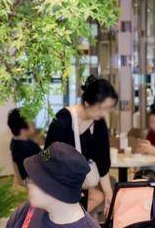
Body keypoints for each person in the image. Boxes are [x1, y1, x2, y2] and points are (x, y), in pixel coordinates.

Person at [44, 75, 117, 212]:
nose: (104, 113)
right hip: (58, 186)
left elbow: (102, 161)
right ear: (88, 103)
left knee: (79, 216)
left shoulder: (98, 123)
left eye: (108, 109)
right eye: (101, 108)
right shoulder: (63, 120)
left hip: (80, 186)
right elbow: (47, 156)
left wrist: (108, 192)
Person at [7, 108, 41, 182]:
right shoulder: (29, 146)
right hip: (35, 181)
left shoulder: (14, 141)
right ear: (23, 128)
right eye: (31, 122)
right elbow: (47, 158)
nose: (34, 124)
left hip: (26, 179)